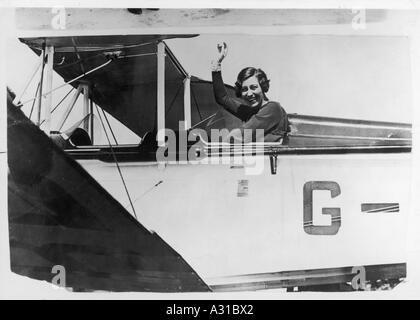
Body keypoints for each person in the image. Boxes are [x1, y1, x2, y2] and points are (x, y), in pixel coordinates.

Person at [211, 42, 288, 143]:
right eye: (244, 89)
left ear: (262, 86)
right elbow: (222, 98)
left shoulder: (272, 108)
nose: (249, 93)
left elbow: (237, 136)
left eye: (253, 87)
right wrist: (217, 64)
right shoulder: (250, 111)